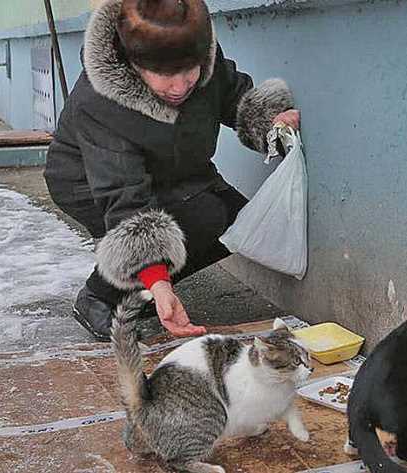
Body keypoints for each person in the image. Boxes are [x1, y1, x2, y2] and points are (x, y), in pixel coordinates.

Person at [45, 0, 299, 340]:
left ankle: (141, 291)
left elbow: (233, 94)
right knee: (202, 217)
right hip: (87, 182)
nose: (180, 86)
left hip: (170, 171)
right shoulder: (100, 100)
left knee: (238, 222)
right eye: (164, 76)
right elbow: (124, 197)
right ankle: (98, 297)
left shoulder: (193, 47)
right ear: (133, 64)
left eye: (189, 71)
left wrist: (272, 122)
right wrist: (157, 277)